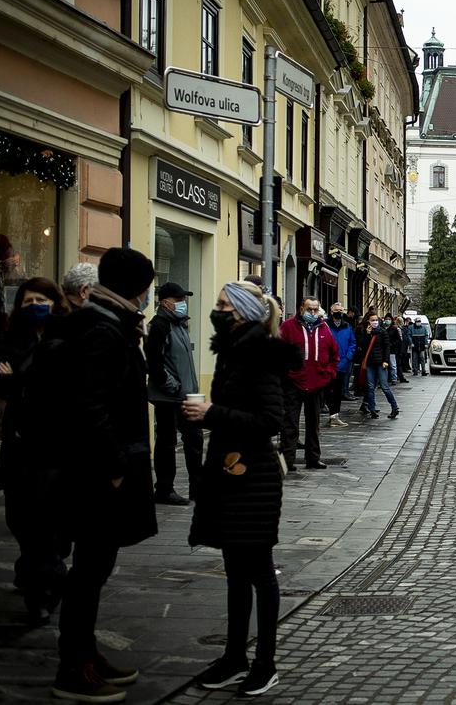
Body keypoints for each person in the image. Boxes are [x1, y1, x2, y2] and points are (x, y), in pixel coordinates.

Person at [51, 247, 158, 702]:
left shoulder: (105, 322)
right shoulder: (102, 328)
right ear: (138, 287)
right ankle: (73, 668)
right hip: (98, 472)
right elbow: (89, 406)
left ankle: (86, 654)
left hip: (100, 466)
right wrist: (114, 467)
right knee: (89, 571)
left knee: (95, 569)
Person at [185, 280, 290, 697]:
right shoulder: (234, 351)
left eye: (224, 305)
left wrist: (212, 412)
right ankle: (233, 657)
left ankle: (265, 663)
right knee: (234, 573)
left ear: (244, 312)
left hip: (254, 478)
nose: (217, 310)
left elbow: (270, 421)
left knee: (259, 572)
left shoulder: (258, 355)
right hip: (232, 473)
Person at [0, 277, 71, 626]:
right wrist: (15, 383)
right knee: (19, 519)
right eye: (28, 300)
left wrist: (18, 381)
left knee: (46, 523)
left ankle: (42, 591)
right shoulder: (13, 339)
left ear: (55, 302)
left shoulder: (66, 337)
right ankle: (34, 568)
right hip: (19, 445)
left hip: (55, 448)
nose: (34, 305)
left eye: (41, 299)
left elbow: (63, 388)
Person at [145, 282, 203, 505]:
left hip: (186, 394)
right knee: (167, 442)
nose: (183, 304)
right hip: (168, 397)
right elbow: (154, 362)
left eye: (183, 300)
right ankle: (164, 489)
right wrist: (172, 387)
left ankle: (197, 488)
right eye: (179, 300)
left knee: (194, 440)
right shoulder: (159, 325)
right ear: (165, 302)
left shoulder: (179, 324)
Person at [278, 297, 338, 470]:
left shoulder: (324, 328)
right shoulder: (288, 327)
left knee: (314, 424)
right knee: (290, 424)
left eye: (315, 309)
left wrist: (328, 374)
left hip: (317, 383)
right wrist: (287, 374)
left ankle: (313, 458)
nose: (312, 313)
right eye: (309, 309)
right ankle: (287, 460)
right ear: (301, 308)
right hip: (293, 384)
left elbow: (334, 354)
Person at [356, 313, 399, 419]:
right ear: (368, 321)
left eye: (376, 320)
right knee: (370, 387)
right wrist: (367, 334)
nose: (374, 322)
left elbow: (386, 347)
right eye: (372, 320)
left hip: (381, 363)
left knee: (385, 387)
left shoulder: (382, 332)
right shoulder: (366, 332)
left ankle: (394, 407)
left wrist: (385, 360)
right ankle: (372, 409)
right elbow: (362, 345)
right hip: (370, 363)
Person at [325, 303, 355, 428]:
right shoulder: (325, 325)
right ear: (331, 311)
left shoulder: (347, 326)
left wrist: (348, 357)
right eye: (336, 310)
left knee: (338, 391)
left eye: (340, 310)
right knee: (326, 390)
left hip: (342, 362)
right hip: (327, 363)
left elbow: (352, 343)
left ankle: (335, 415)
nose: (338, 312)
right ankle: (331, 413)